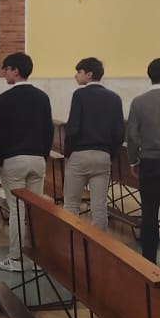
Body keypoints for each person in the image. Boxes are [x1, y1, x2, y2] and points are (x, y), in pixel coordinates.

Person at [0, 52, 52, 273]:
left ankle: (16, 259)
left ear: (16, 71)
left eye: (6, 69)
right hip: (37, 159)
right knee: (34, 210)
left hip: (14, 159)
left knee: (16, 210)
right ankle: (38, 259)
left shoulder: (5, 99)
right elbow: (48, 131)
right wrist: (42, 155)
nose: (4, 73)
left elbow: (0, 133)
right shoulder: (42, 97)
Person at [127, 58, 160, 264]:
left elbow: (132, 136)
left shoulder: (139, 102)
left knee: (149, 211)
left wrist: (133, 161)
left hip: (148, 162)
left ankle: (148, 258)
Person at [63, 57, 123, 232]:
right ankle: (99, 246)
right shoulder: (114, 98)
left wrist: (68, 153)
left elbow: (73, 128)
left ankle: (72, 243)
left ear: (89, 74)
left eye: (79, 72)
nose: (76, 75)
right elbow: (119, 133)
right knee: (99, 207)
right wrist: (109, 154)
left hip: (80, 154)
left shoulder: (80, 95)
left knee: (71, 204)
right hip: (103, 155)